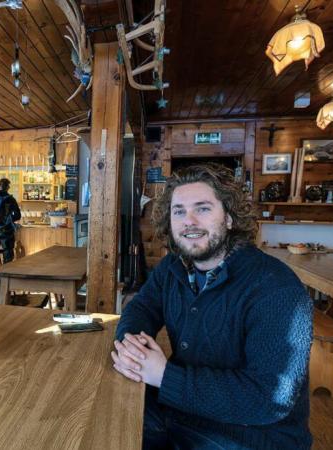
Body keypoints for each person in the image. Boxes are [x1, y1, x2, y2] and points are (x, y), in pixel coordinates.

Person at [112, 164, 313, 449]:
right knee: (95, 422)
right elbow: (142, 307)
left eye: (202, 209)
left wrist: (165, 376)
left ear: (229, 218)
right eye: (178, 211)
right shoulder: (174, 267)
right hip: (183, 412)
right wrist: (131, 347)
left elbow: (270, 399)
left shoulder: (275, 288)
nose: (188, 221)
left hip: (251, 436)